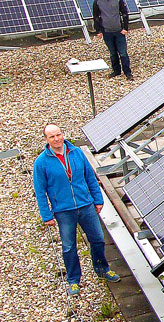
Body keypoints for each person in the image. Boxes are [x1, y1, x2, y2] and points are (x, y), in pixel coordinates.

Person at [33, 124, 120, 296]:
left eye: (59, 134)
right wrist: (46, 214)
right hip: (63, 211)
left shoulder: (77, 153)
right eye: (52, 136)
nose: (57, 139)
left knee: (98, 239)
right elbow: (40, 191)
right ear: (46, 140)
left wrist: (98, 199)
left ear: (63, 135)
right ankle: (73, 280)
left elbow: (90, 177)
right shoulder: (41, 162)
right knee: (68, 247)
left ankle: (102, 269)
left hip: (85, 205)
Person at [92, 0, 132, 79]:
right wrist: (98, 30)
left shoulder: (118, 0)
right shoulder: (97, 2)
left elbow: (125, 14)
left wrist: (125, 28)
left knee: (123, 53)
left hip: (119, 31)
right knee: (113, 53)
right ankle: (116, 71)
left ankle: (127, 72)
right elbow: (96, 17)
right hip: (107, 32)